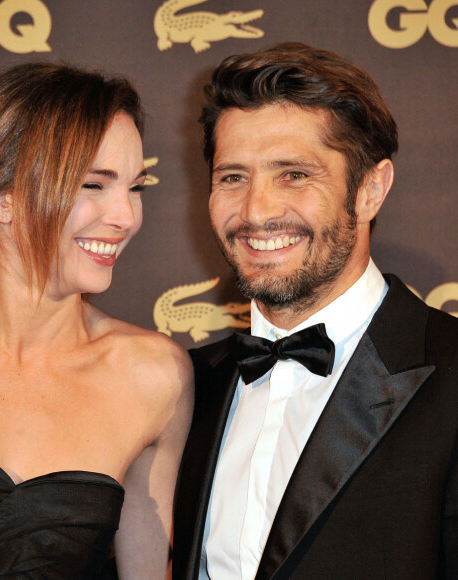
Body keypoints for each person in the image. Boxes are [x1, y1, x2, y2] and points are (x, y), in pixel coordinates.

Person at [0, 62, 193, 579]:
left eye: (136, 187)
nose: (127, 216)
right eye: (94, 184)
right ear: (0, 198)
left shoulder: (154, 375)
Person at [173, 42, 458, 579]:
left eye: (294, 175)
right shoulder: (186, 387)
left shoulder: (450, 376)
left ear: (371, 189)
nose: (256, 210)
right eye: (233, 177)